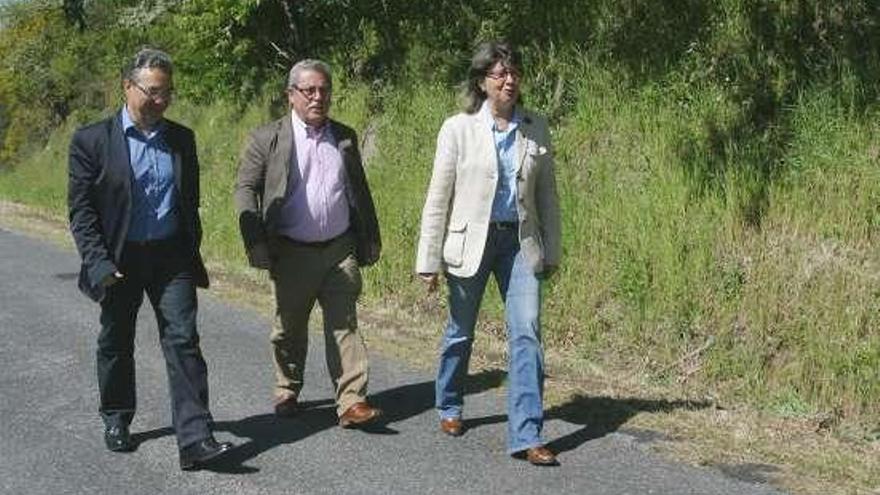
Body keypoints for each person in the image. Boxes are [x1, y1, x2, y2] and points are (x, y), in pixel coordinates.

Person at [67, 48, 234, 470]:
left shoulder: (182, 139)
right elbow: (82, 212)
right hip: (118, 260)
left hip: (170, 257)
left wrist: (188, 244)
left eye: (167, 93)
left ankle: (196, 438)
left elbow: (188, 201)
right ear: (128, 87)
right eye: (153, 92)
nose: (160, 101)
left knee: (183, 340)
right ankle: (117, 417)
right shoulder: (91, 141)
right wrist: (98, 263)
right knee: (116, 341)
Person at [415, 41, 562, 465]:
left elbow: (548, 196)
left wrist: (551, 249)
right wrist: (428, 261)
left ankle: (527, 433)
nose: (509, 80)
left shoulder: (536, 126)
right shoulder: (457, 128)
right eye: (499, 74)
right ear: (482, 82)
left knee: (527, 332)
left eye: (514, 73)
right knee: (460, 330)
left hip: (519, 243)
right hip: (470, 243)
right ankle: (449, 404)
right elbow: (437, 198)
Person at [235, 59, 383, 428]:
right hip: (291, 251)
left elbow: (360, 192)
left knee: (344, 324)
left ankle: (351, 401)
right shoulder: (266, 138)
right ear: (291, 95)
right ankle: (287, 386)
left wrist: (370, 239)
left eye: (324, 90)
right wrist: (254, 241)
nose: (318, 97)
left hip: (339, 249)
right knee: (289, 328)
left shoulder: (345, 136)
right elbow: (245, 189)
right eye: (309, 90)